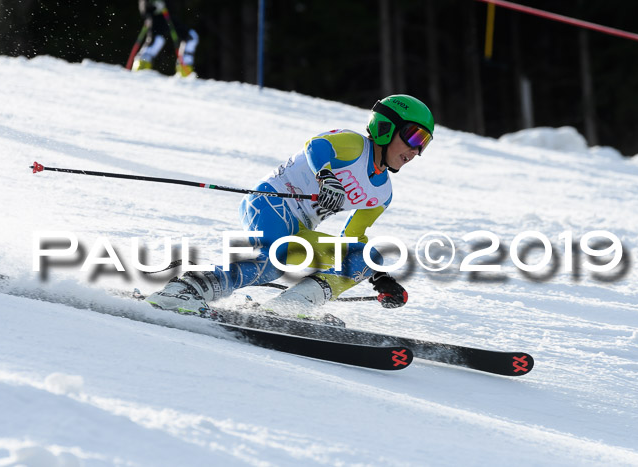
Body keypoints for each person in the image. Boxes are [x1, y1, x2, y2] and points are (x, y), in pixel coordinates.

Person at [147, 95, 435, 316]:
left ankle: (287, 309)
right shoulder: (355, 145)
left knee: (366, 255)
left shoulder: (382, 193)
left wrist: (378, 277)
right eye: (413, 136)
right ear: (386, 127)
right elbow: (316, 146)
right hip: (269, 202)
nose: (416, 150)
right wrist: (326, 176)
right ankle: (185, 289)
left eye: (424, 143)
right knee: (275, 259)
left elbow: (353, 239)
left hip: (300, 228)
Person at [132, 0, 199, 77]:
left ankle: (185, 71)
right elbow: (144, 6)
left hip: (168, 15)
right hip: (156, 18)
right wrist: (151, 5)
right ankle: (139, 70)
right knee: (158, 41)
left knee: (192, 37)